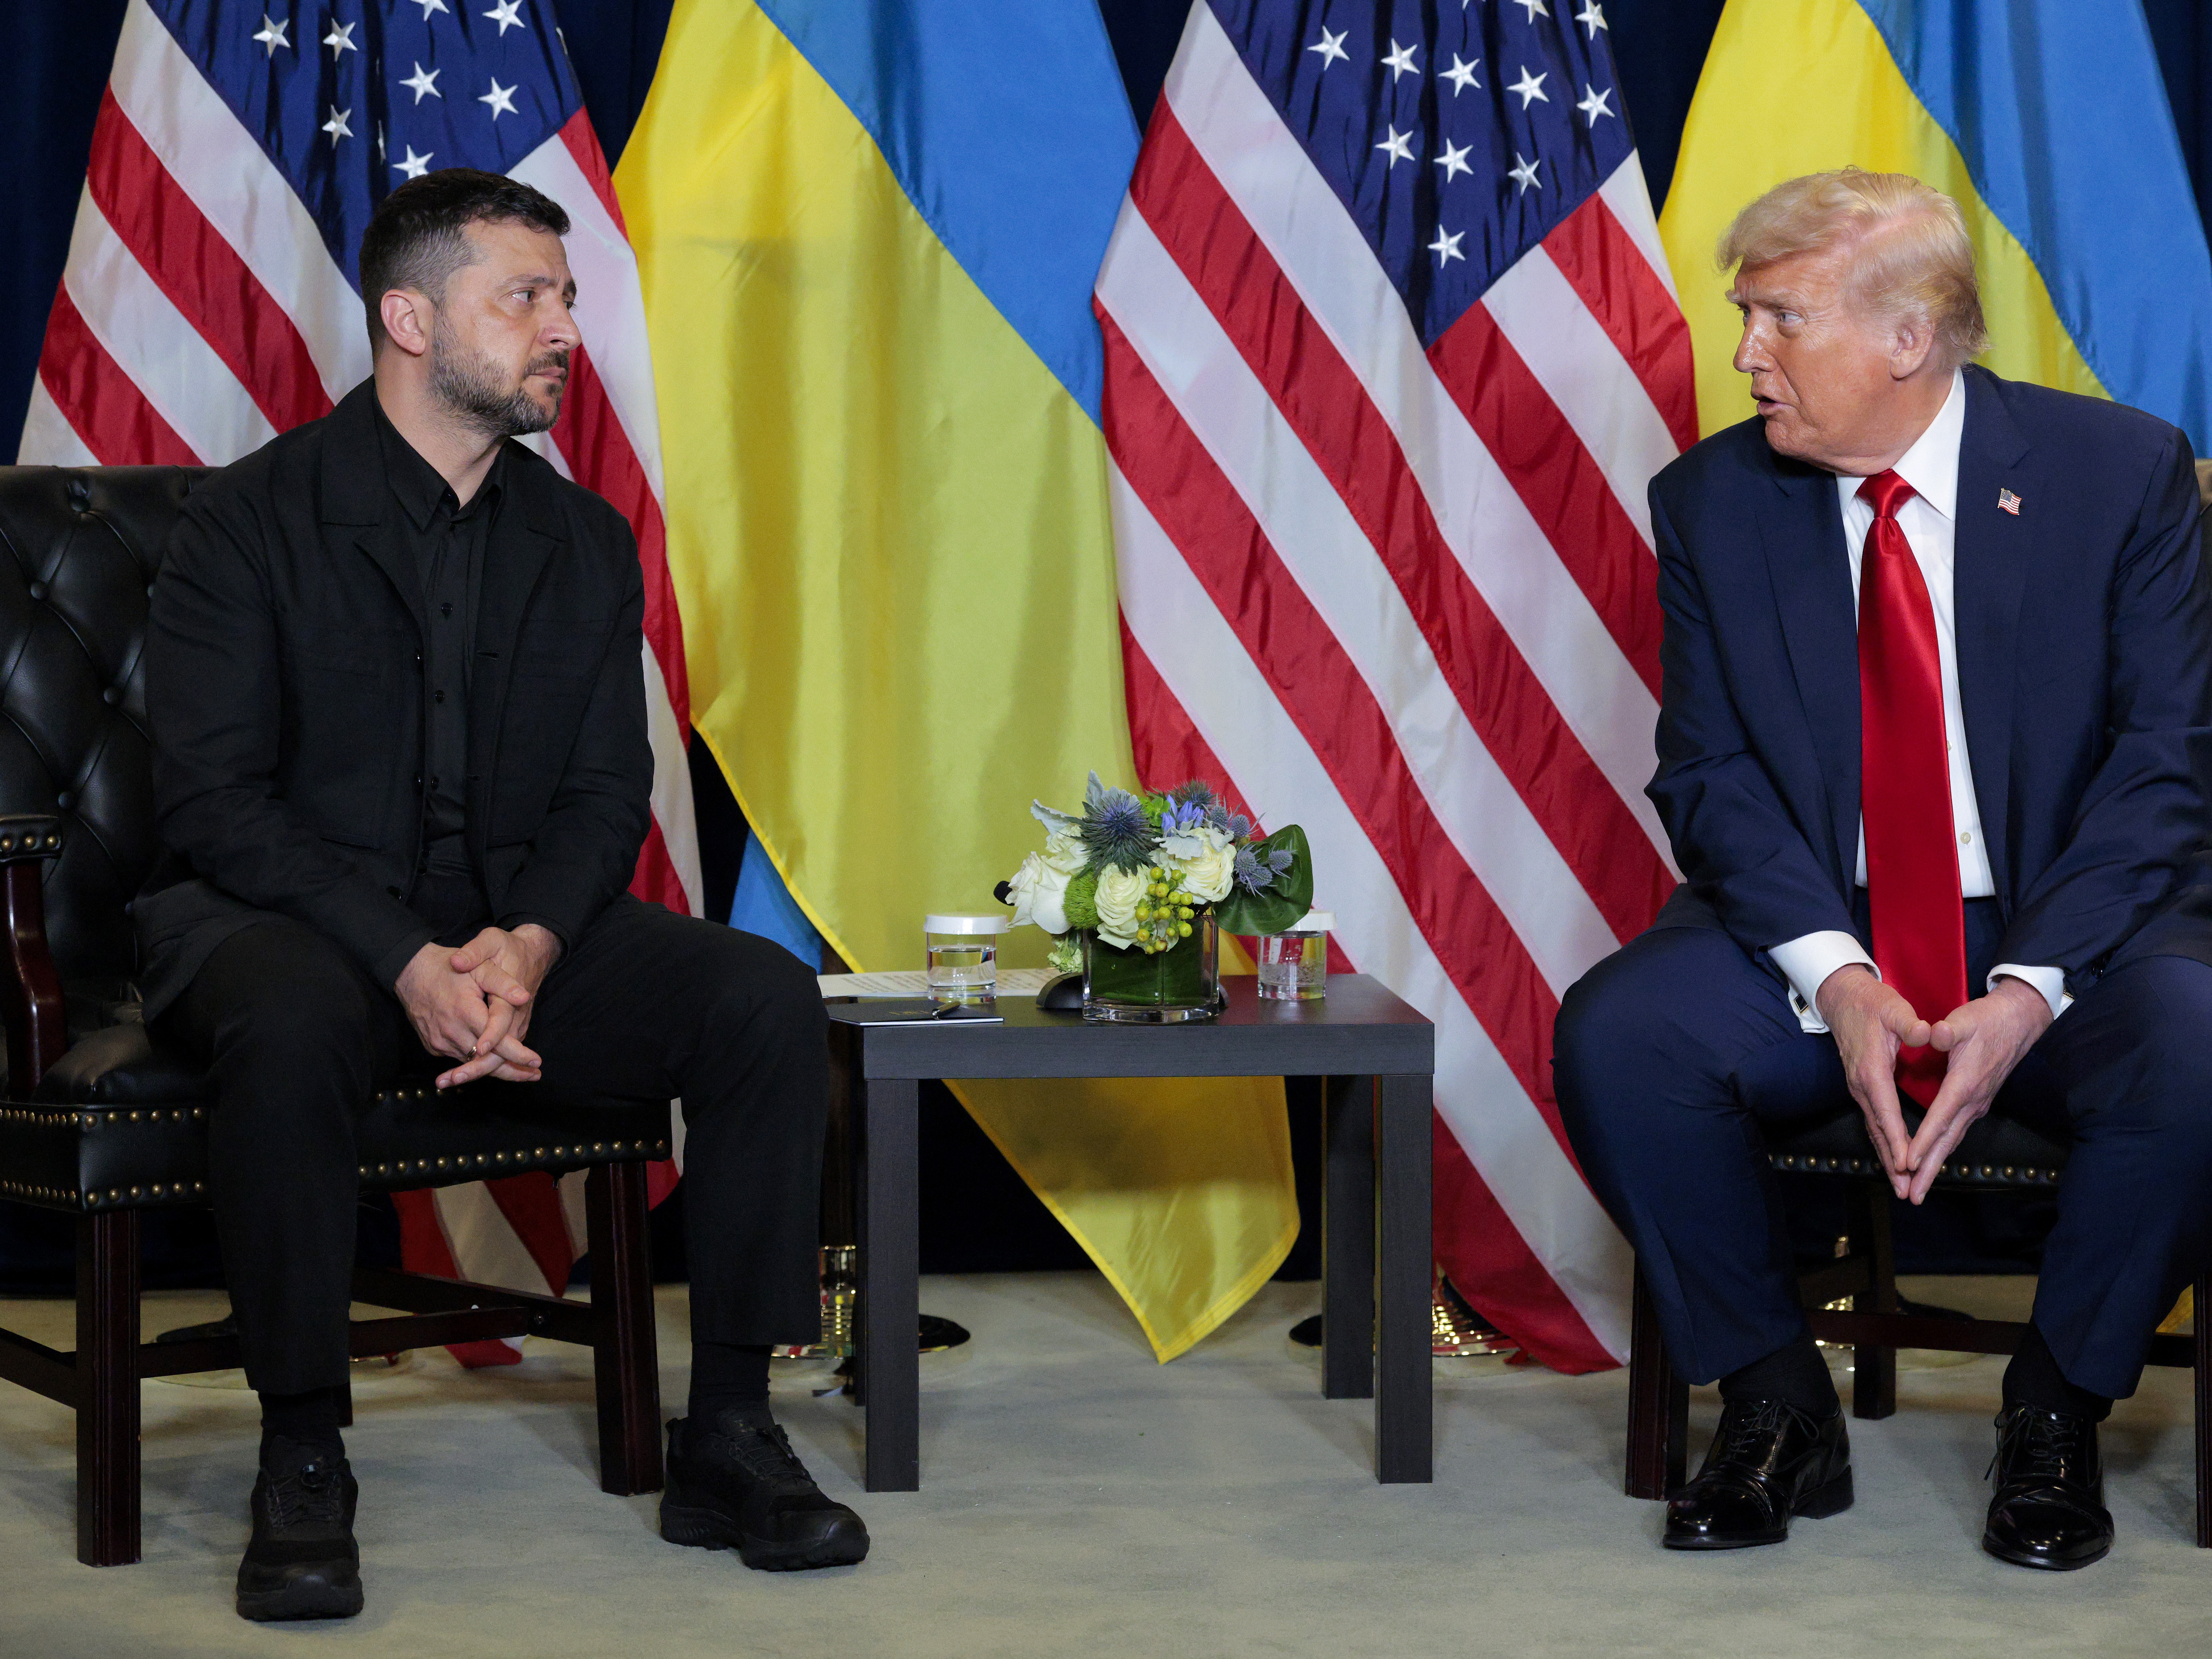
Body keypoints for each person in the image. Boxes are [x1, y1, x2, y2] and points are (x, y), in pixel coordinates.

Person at [138, 168, 867, 1622]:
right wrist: (407, 957)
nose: (564, 330)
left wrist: (526, 946)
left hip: (507, 932)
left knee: (761, 998)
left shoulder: (584, 540)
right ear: (411, 320)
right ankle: (303, 1452)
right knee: (288, 1024)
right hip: (292, 923)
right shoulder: (247, 518)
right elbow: (217, 804)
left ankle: (728, 1432)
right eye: (524, 297)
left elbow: (604, 794)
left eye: (567, 299)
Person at [1554, 168, 2212, 1571]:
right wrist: (1837, 975)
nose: (1745, 354)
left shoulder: (2120, 472)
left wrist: (2029, 988)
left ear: (1908, 336)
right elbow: (1709, 774)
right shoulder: (1712, 499)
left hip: (2064, 924)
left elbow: (2166, 769)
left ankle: (2055, 1409)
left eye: (1779, 319)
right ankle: (1777, 1404)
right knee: (1624, 1031)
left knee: (2200, 1039)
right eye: (1745, 317)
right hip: (1820, 920)